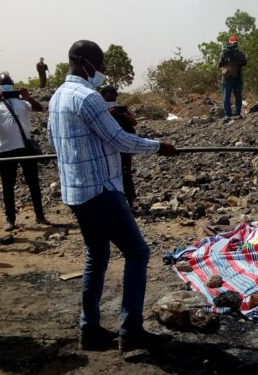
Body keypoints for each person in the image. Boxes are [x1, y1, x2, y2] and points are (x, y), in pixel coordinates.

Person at [48, 40, 178, 352]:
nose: (103, 71)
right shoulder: (87, 98)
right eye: (100, 64)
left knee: (97, 253)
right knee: (137, 252)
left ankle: (89, 328)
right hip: (99, 190)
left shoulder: (57, 97)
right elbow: (120, 139)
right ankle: (130, 331)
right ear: (84, 62)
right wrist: (159, 146)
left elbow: (54, 141)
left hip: (75, 191)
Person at [0, 73, 49, 231]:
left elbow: (39, 108)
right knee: (8, 185)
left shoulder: (21, 101)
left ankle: (40, 216)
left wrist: (28, 97)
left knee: (33, 183)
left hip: (25, 147)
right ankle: (10, 218)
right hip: (5, 149)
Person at [101, 85, 137, 207]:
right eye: (108, 98)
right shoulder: (100, 110)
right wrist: (109, 114)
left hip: (124, 147)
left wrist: (125, 114)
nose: (112, 101)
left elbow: (134, 123)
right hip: (107, 148)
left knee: (126, 173)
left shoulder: (123, 109)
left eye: (113, 98)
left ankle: (130, 200)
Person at [218, 35, 247, 120]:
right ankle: (228, 114)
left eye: (235, 43)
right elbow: (219, 64)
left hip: (237, 77)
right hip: (227, 77)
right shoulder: (225, 52)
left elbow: (244, 62)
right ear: (229, 43)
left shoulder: (239, 52)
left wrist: (236, 55)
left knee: (238, 96)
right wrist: (224, 55)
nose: (234, 45)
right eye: (233, 43)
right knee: (226, 96)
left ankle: (237, 113)